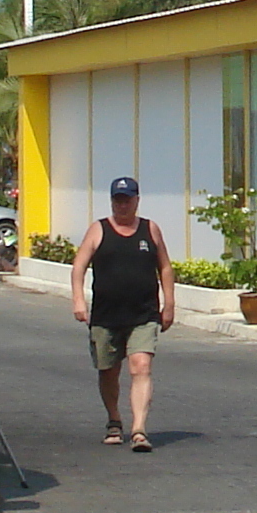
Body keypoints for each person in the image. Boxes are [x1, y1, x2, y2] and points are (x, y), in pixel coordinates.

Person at [72, 174, 173, 452]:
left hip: (143, 313)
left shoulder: (150, 230)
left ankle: (139, 429)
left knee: (141, 366)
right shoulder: (98, 229)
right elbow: (79, 266)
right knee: (108, 371)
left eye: (127, 200)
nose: (122, 205)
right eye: (118, 200)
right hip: (106, 315)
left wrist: (170, 304)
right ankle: (114, 419)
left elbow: (164, 266)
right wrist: (79, 300)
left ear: (137, 201)